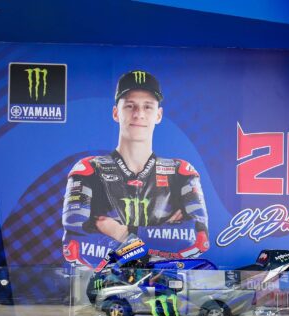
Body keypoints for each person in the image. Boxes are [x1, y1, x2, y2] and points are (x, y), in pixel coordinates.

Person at [62, 70, 209, 270]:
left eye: (147, 106)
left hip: (163, 283)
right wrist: (158, 241)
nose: (139, 114)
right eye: (130, 105)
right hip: (107, 284)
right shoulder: (88, 170)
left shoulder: (181, 172)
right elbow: (75, 245)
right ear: (116, 113)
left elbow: (198, 239)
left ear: (158, 115)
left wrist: (122, 233)